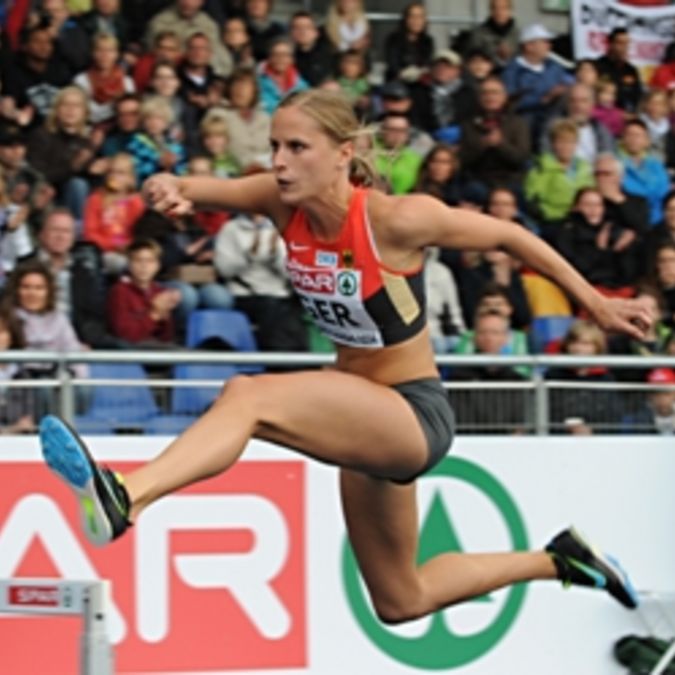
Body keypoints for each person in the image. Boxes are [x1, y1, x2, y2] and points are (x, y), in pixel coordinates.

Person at [39, 89, 650, 623]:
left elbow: (511, 235)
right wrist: (168, 186)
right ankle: (559, 561)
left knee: (246, 396)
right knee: (400, 600)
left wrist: (596, 304)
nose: (279, 161)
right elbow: (198, 188)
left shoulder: (396, 219)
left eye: (296, 147)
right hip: (359, 415)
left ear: (342, 153)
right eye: (274, 146)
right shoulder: (281, 201)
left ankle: (127, 495)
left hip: (412, 415)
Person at [105, 237, 181, 347]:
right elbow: (125, 336)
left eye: (150, 261)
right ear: (129, 265)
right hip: (133, 351)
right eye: (138, 260)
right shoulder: (119, 292)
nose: (144, 266)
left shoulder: (159, 292)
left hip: (158, 350)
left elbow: (166, 338)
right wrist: (154, 315)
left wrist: (165, 314)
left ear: (157, 266)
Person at [82, 152, 146, 275]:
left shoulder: (137, 202)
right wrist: (114, 246)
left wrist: (129, 247)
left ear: (131, 178)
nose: (115, 177)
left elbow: (140, 233)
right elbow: (90, 234)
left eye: (121, 173)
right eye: (112, 172)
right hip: (103, 253)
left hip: (130, 253)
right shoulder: (96, 199)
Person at [383, 2, 434, 83]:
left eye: (420, 17)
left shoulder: (428, 41)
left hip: (420, 82)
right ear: (406, 19)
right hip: (398, 82)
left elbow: (427, 64)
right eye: (412, 16)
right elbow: (394, 66)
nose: (416, 21)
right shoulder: (394, 39)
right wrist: (406, 74)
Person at [595, 28, 642, 114]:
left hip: (628, 115)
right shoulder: (597, 67)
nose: (624, 47)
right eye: (620, 43)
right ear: (610, 44)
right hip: (602, 114)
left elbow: (638, 98)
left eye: (627, 43)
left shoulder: (631, 70)